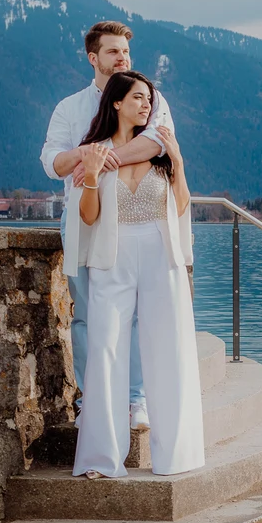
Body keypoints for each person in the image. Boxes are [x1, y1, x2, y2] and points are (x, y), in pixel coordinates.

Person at [39, 20, 177, 428]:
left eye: (127, 52)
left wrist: (97, 162)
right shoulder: (70, 107)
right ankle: (90, 398)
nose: (123, 58)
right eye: (114, 51)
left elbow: (156, 143)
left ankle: (135, 400)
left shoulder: (150, 97)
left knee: (133, 312)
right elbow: (52, 163)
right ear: (93, 58)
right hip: (82, 220)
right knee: (85, 314)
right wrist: (86, 157)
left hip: (132, 219)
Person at [69, 70, 203, 479]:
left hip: (162, 256)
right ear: (116, 103)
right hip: (113, 256)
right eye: (138, 98)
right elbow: (88, 217)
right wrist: (91, 178)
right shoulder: (95, 153)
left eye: (149, 98)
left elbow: (180, 205)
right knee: (106, 348)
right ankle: (100, 459)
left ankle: (176, 453)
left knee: (168, 346)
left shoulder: (161, 148)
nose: (147, 105)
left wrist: (178, 161)